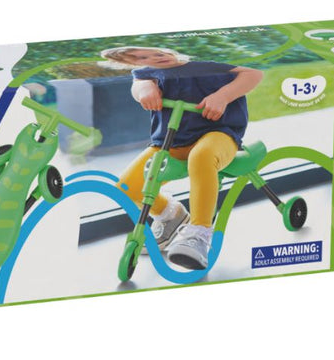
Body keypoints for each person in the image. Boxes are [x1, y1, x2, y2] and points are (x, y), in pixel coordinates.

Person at [101, 45, 263, 269]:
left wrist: (222, 96)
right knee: (127, 187)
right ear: (134, 65)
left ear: (169, 51)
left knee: (202, 156)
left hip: (219, 134)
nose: (154, 57)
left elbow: (253, 74)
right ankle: (170, 215)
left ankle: (199, 234)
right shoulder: (147, 75)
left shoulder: (206, 65)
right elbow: (138, 84)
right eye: (142, 58)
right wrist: (145, 90)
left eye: (157, 52)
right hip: (171, 142)